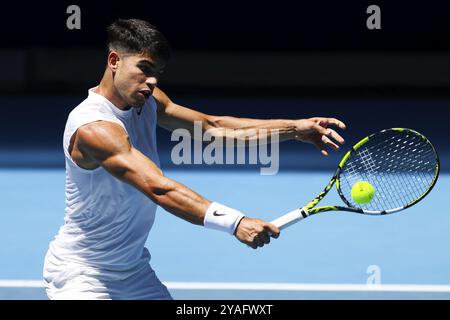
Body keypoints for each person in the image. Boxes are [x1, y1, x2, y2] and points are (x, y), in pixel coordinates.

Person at [43, 18, 346, 300]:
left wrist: (295, 129)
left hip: (133, 271)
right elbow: (157, 187)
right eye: (144, 69)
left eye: (157, 73)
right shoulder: (93, 128)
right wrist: (235, 222)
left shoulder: (148, 100)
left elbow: (211, 127)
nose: (151, 82)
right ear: (114, 61)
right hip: (82, 274)